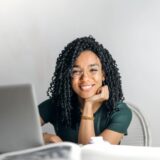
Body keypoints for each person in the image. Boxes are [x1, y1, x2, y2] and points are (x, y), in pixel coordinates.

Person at [39, 36, 132, 145]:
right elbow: (17, 131)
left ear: (103, 75)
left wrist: (88, 104)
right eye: (76, 71)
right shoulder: (57, 104)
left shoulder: (120, 112)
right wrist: (44, 138)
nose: (85, 78)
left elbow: (91, 155)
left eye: (93, 70)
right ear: (68, 77)